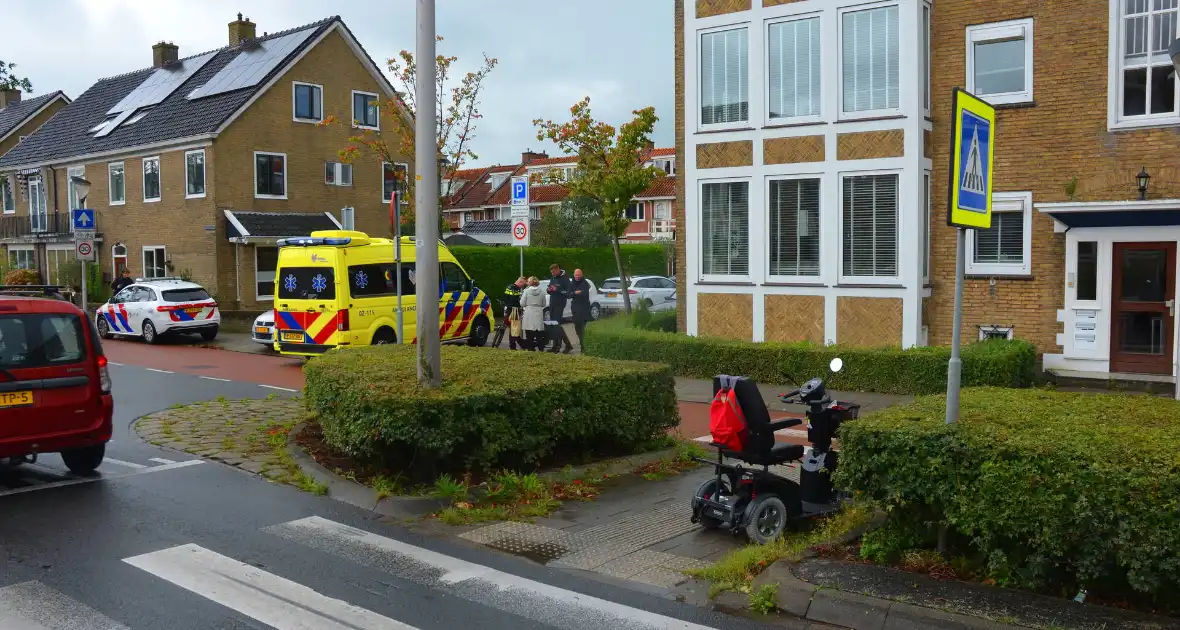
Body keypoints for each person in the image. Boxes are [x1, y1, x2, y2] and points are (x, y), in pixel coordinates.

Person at [545, 263, 574, 354]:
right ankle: (556, 346)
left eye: (554, 271)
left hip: (560, 304)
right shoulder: (553, 278)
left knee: (556, 325)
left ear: (558, 269)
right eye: (551, 272)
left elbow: (569, 293)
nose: (552, 273)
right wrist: (549, 290)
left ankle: (568, 345)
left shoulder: (565, 279)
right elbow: (550, 289)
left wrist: (557, 290)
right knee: (554, 325)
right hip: (552, 304)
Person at [520, 276, 547, 351]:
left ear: (530, 282)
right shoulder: (542, 291)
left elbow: (522, 303)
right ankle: (541, 349)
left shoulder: (526, 291)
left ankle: (531, 349)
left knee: (529, 333)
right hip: (538, 312)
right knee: (538, 333)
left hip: (529, 312)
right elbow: (544, 304)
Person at [502, 276, 528, 350]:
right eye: (523, 285)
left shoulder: (509, 287)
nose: (522, 286)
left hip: (508, 310)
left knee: (512, 329)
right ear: (520, 282)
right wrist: (521, 305)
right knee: (514, 329)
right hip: (514, 311)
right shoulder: (516, 289)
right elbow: (515, 301)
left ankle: (519, 345)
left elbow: (506, 298)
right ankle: (516, 346)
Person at [569, 268, 592, 350]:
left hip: (584, 308)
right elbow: (569, 294)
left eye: (578, 275)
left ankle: (583, 345)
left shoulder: (585, 283)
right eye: (576, 275)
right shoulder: (572, 283)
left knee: (583, 327)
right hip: (575, 308)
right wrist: (575, 292)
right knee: (577, 327)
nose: (577, 276)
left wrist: (576, 293)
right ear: (574, 275)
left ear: (581, 275)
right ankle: (581, 342)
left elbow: (584, 294)